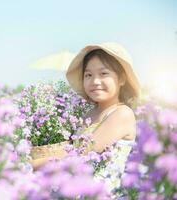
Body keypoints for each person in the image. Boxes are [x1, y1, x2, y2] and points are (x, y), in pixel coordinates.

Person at [31, 42, 141, 196]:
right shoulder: (89, 114)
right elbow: (71, 146)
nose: (95, 81)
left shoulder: (121, 113)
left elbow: (81, 152)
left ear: (121, 78)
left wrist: (34, 164)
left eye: (103, 74)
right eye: (88, 75)